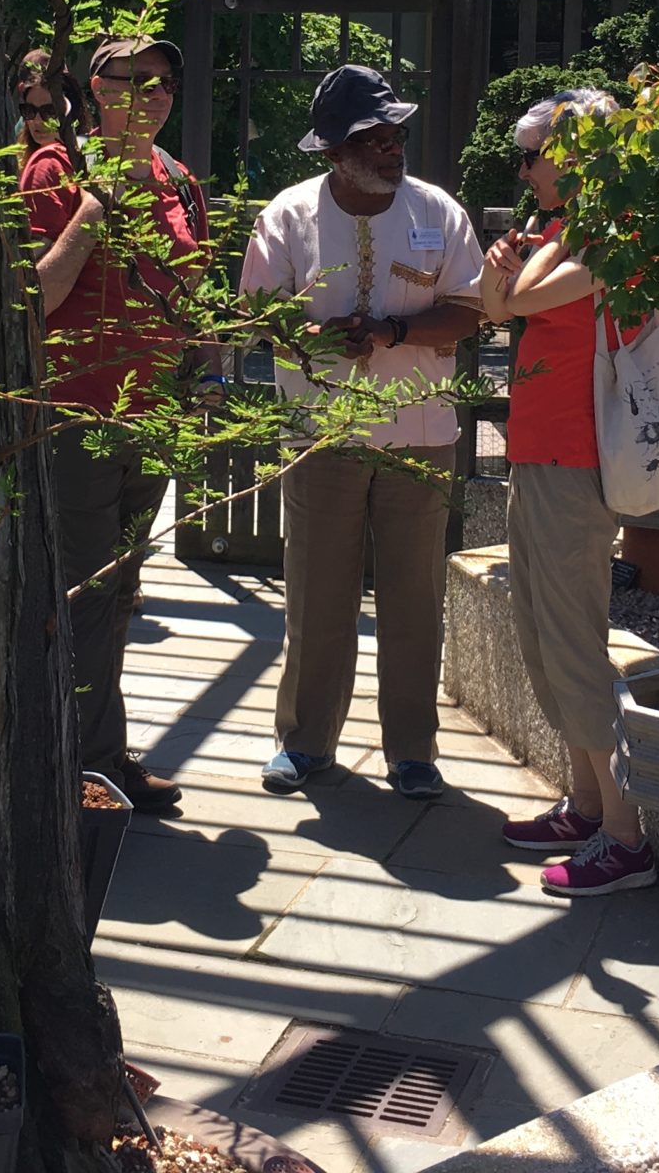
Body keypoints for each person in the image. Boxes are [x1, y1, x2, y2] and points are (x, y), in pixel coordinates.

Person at [239, 65, 484, 800]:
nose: (391, 148)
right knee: (316, 595)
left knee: (414, 597)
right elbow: (259, 314)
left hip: (421, 435)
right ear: (333, 152)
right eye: (372, 138)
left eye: (395, 134)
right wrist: (313, 339)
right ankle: (305, 742)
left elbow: (471, 310)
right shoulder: (288, 216)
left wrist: (396, 327)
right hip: (322, 436)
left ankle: (412, 750)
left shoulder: (440, 211)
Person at [21, 34, 210, 814]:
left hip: (153, 413)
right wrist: (97, 207)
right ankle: (78, 764)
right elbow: (35, 300)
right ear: (97, 88)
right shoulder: (56, 169)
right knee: (83, 592)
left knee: (120, 590)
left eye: (165, 80)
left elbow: (193, 299)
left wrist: (199, 380)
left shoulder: (180, 178)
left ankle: (95, 753)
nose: (155, 93)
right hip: (78, 414)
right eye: (136, 80)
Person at [479, 89, 658, 898]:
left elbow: (518, 299)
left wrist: (507, 279)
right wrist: (503, 279)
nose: (523, 172)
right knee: (541, 634)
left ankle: (624, 840)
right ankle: (586, 809)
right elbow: (495, 308)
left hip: (578, 462)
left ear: (576, 153)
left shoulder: (614, 235)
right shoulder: (556, 233)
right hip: (539, 455)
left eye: (533, 155)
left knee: (575, 644)